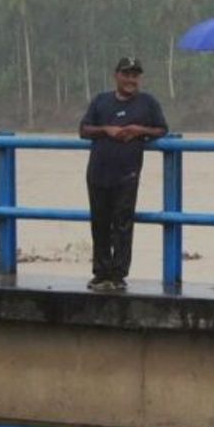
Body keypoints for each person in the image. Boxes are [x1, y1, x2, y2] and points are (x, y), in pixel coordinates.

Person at [79, 57, 168, 292]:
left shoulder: (147, 103)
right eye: (126, 74)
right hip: (98, 172)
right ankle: (100, 273)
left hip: (127, 174)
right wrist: (106, 130)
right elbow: (84, 129)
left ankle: (118, 274)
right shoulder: (101, 101)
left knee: (122, 223)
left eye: (135, 75)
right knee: (99, 223)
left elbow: (162, 129)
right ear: (116, 75)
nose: (131, 80)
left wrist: (140, 130)